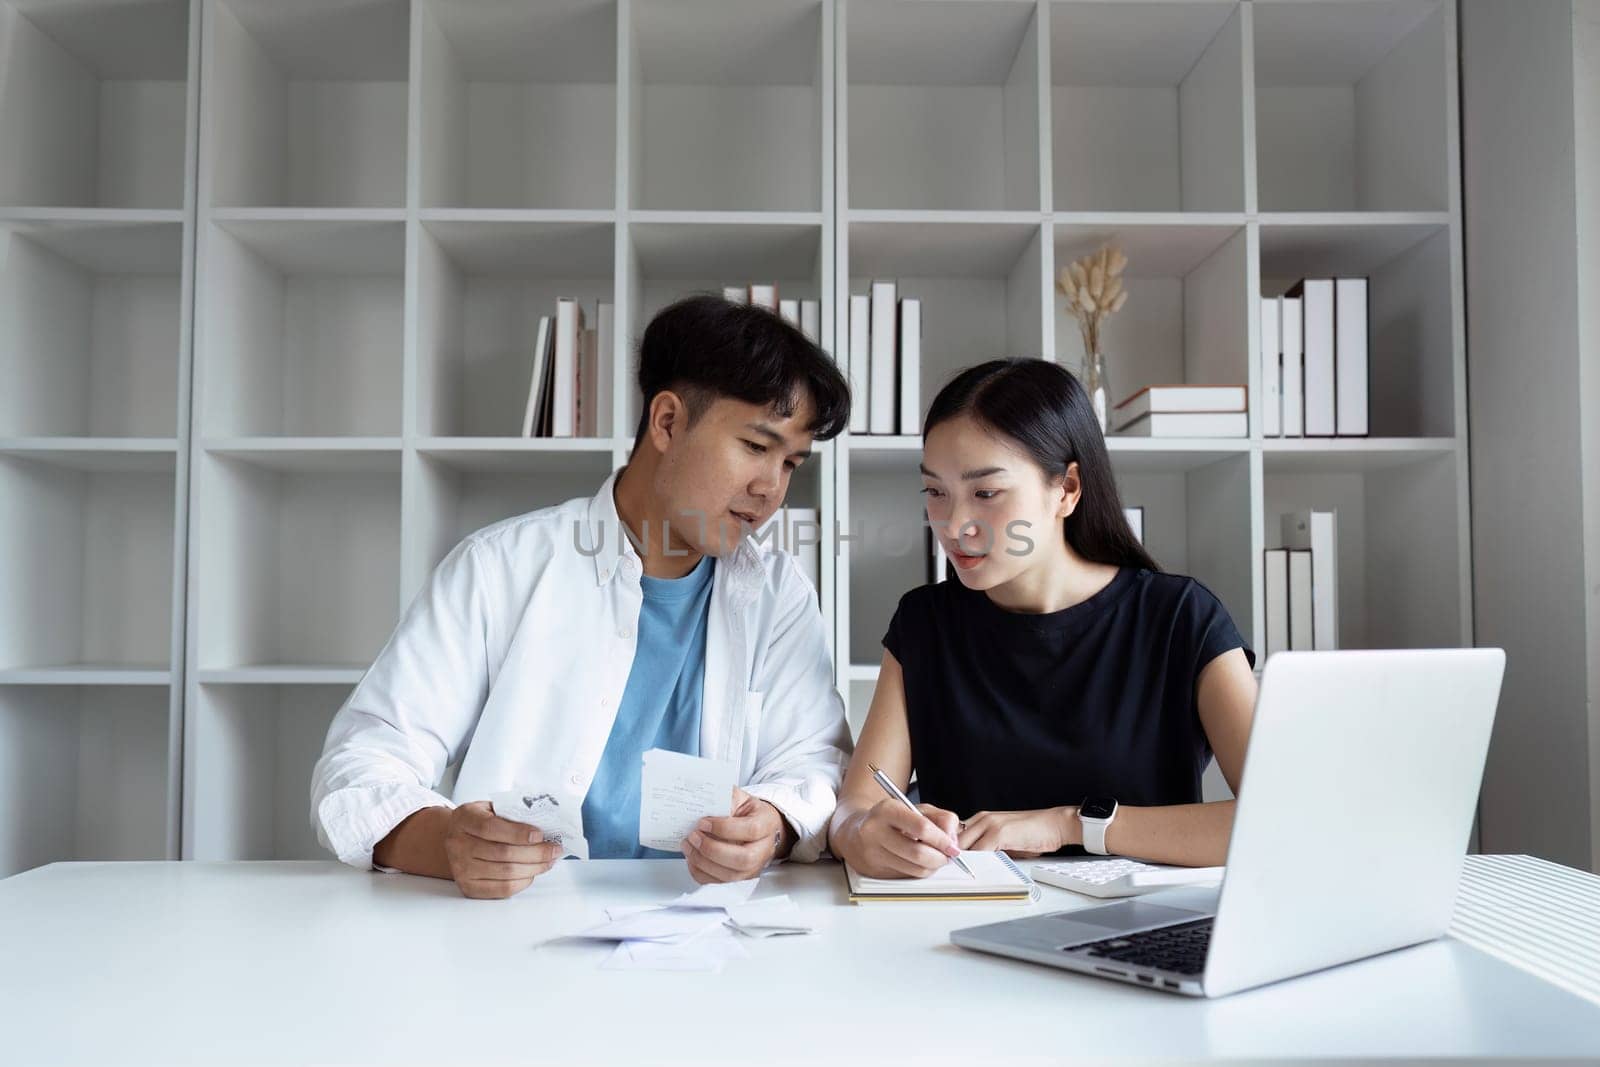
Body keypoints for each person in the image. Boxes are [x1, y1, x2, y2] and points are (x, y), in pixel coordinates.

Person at [311, 295, 853, 897]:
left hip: (708, 931)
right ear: (668, 422)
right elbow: (362, 763)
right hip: (516, 934)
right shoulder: (498, 569)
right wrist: (445, 842)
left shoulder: (779, 594)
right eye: (755, 447)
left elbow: (815, 761)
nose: (770, 489)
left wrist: (773, 823)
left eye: (792, 464)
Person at [828, 359, 1258, 879]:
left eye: (985, 493)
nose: (954, 525)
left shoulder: (1181, 618)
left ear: (1068, 489)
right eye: (936, 492)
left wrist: (1069, 826)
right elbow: (855, 808)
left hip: (1136, 930)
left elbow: (1280, 815)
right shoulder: (924, 624)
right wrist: (862, 835)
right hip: (958, 928)